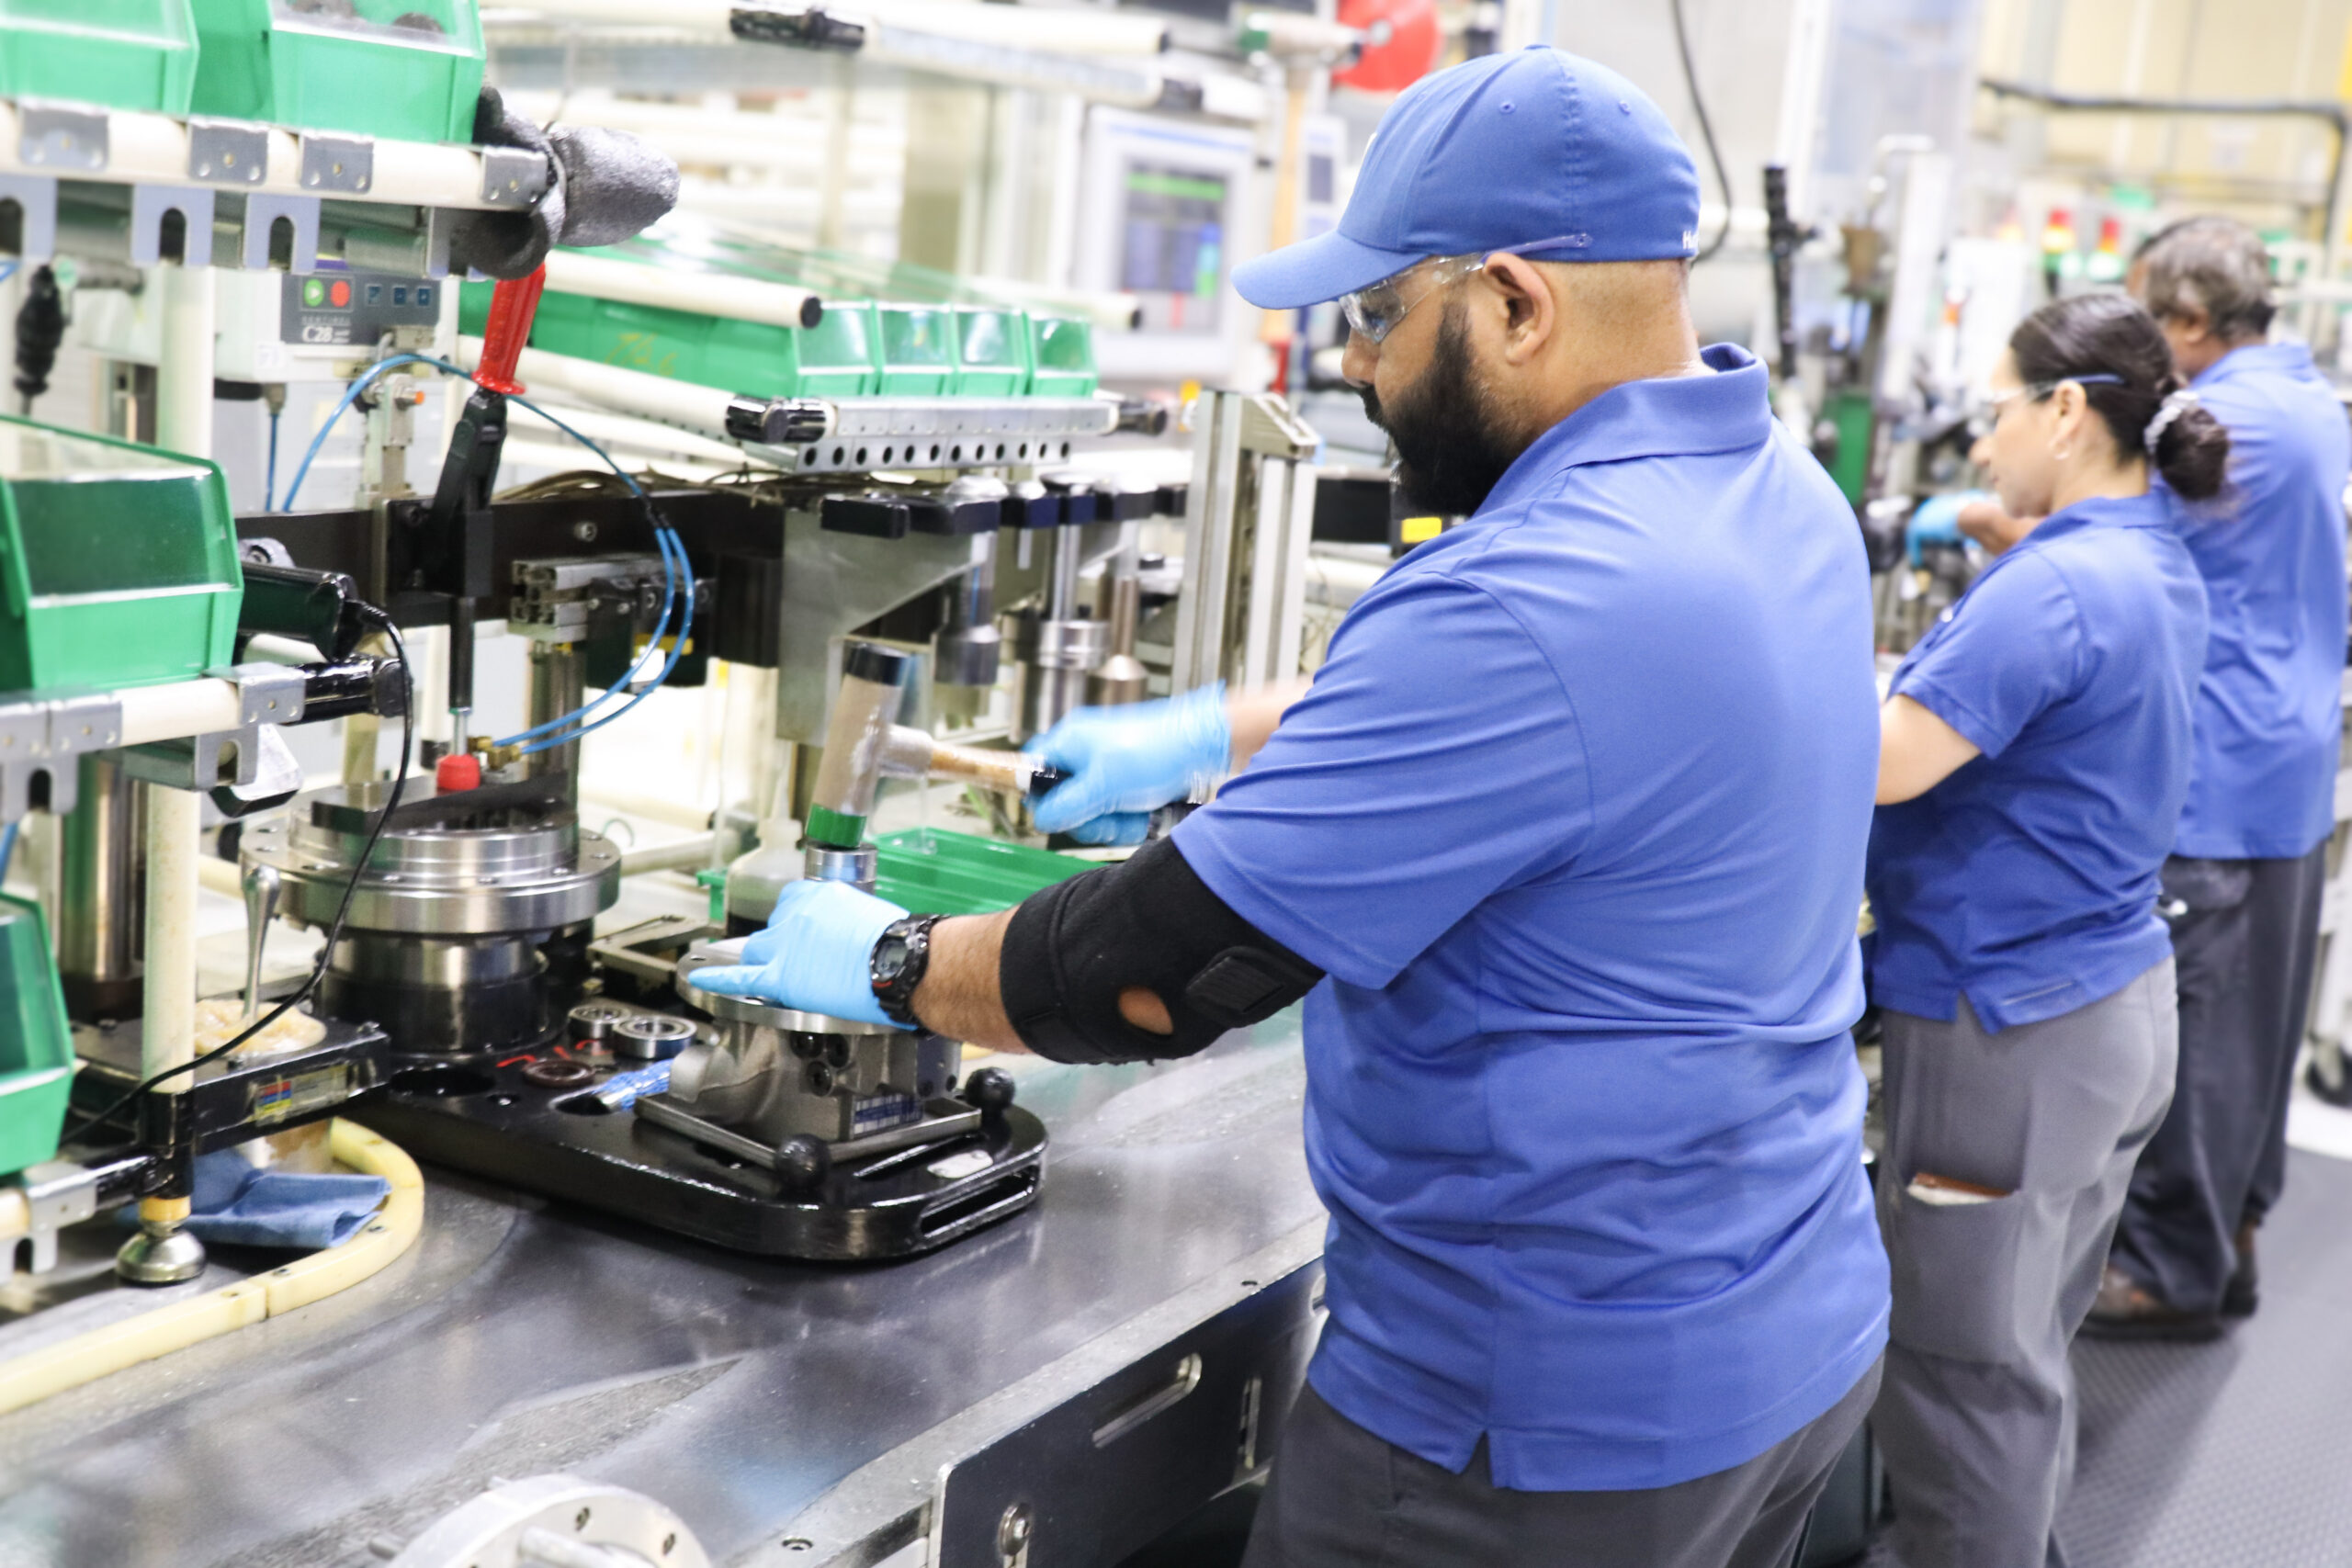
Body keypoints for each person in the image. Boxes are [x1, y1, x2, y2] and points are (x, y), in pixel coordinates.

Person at [698, 46, 1890, 1568]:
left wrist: (885, 958)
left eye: (1380, 314)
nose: (1356, 365)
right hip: (1786, 1330)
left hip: (1535, 1421)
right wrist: (1208, 728)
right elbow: (1573, 730)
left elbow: (1151, 974)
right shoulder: (1774, 490)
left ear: (1517, 304)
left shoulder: (1521, 603)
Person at [1868, 293, 2219, 1567]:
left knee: (1964, 1376)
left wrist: (1753, 676)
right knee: (2023, 1351)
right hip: (2111, 1003)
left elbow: (1890, 760)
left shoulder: (2058, 587)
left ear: (2066, 412)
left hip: (2005, 1030)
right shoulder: (2149, 552)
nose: (1982, 442)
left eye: (1998, 408)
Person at [2088, 217, 2350, 1337]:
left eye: (2148, 318)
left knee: (2191, 1037)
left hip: (2220, 777)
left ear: (2189, 323)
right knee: (2253, 1032)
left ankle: (2163, 1272)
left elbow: (2105, 540)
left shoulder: (2223, 419)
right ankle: (2231, 1241)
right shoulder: (2305, 398)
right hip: (2286, 759)